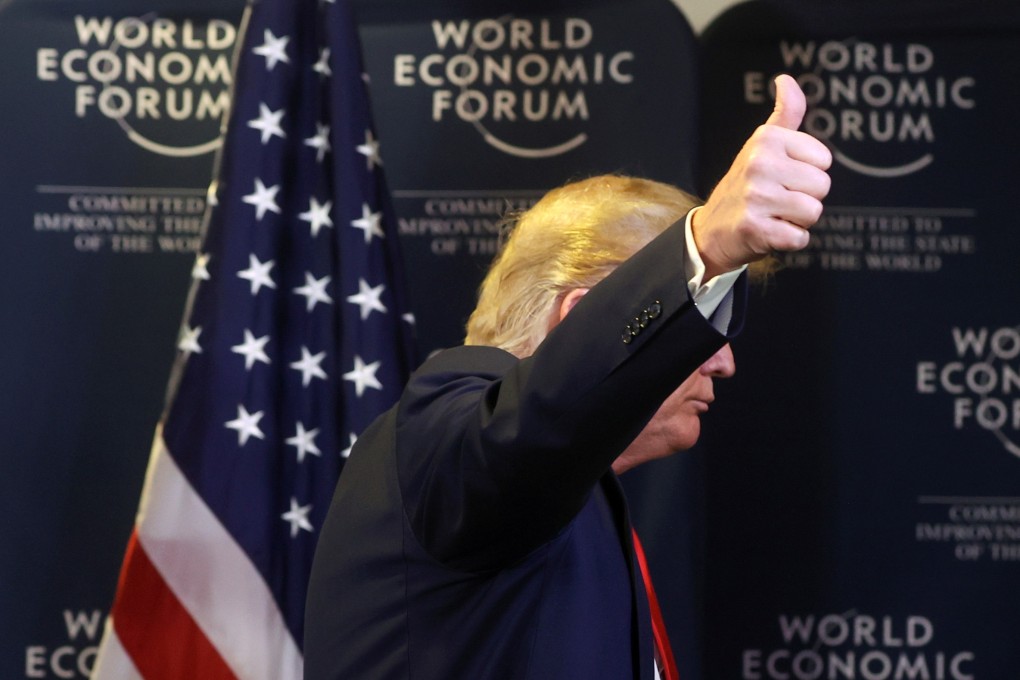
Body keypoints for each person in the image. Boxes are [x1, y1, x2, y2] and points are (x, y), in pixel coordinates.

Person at [304, 75, 831, 680]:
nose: (723, 361)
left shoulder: (578, 501)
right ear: (583, 318)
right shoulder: (440, 429)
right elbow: (529, 431)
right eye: (699, 318)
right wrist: (703, 247)